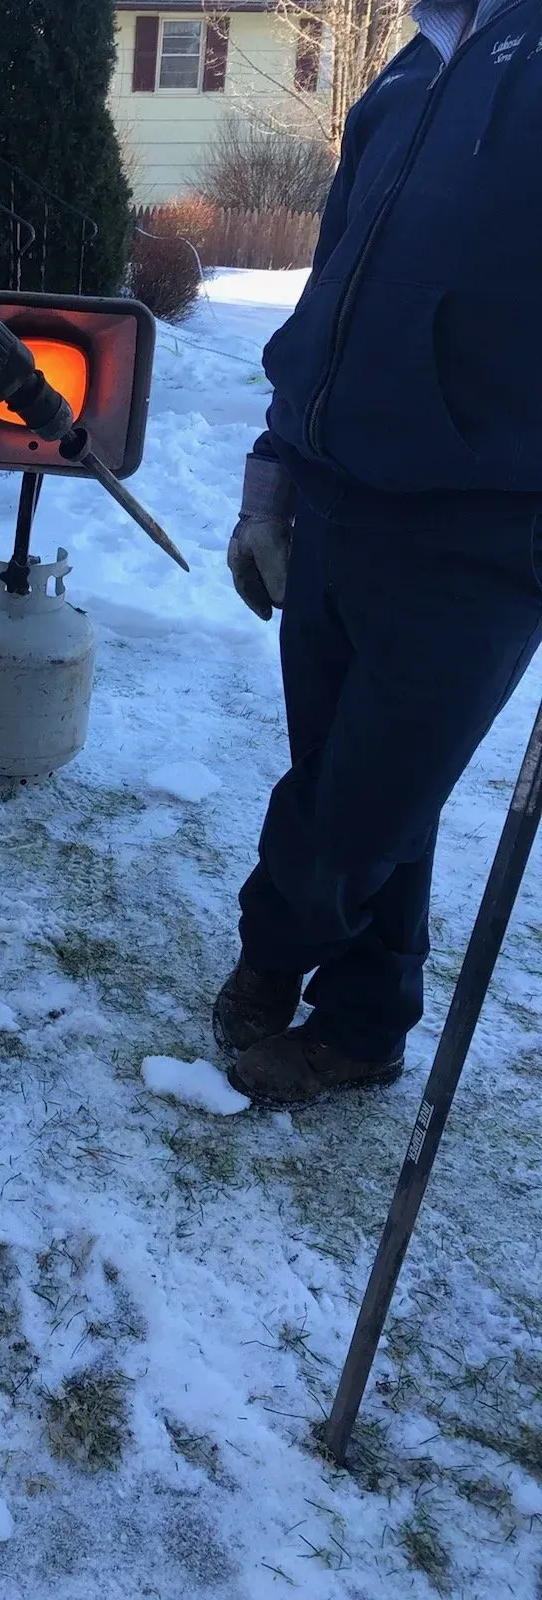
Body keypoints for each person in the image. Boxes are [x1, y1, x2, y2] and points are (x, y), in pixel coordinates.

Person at [213, 0, 542, 1108]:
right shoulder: (403, 78)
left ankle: (274, 949)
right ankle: (363, 1025)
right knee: (348, 783)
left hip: (485, 524)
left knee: (363, 800)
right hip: (336, 497)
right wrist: (274, 473)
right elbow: (332, 291)